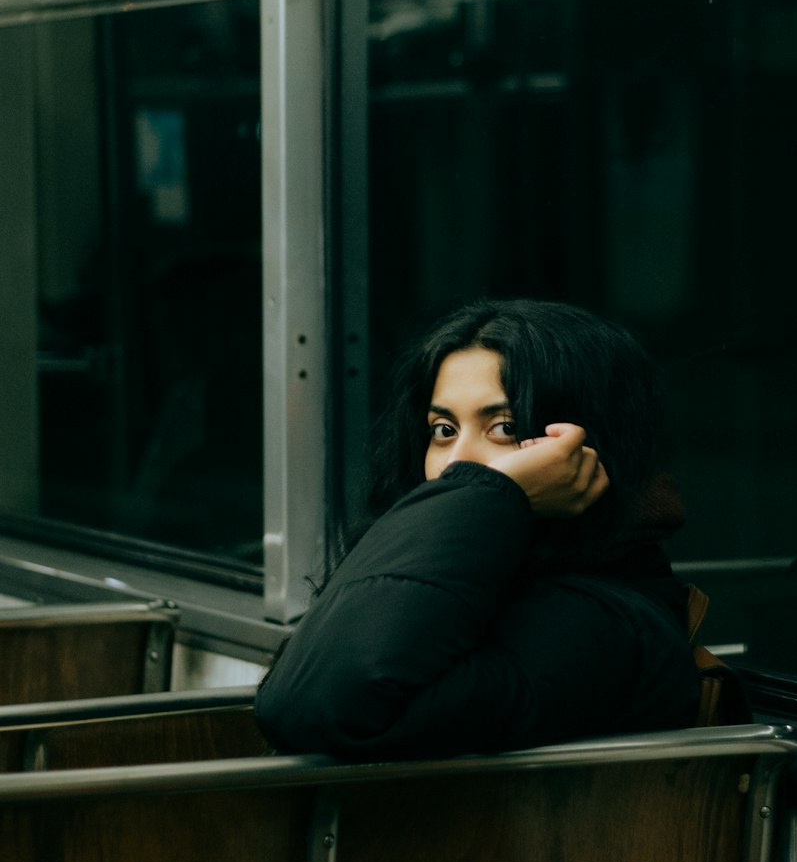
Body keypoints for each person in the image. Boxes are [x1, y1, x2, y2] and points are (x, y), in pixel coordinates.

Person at [254, 298, 701, 759]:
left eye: (503, 426)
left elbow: (321, 704)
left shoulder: (603, 623)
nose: (457, 461)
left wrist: (487, 493)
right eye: (443, 430)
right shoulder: (495, 577)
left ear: (587, 447)